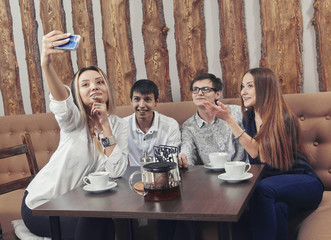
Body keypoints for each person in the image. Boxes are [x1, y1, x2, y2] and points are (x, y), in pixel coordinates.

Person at [21, 30, 128, 240]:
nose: (94, 87)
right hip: (43, 205)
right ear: (77, 93)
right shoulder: (73, 120)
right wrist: (46, 64)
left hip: (80, 205)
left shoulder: (118, 125)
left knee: (105, 221)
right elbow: (61, 100)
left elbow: (116, 170)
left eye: (99, 82)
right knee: (95, 221)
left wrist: (104, 124)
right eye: (85, 84)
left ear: (107, 89)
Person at [203, 67, 324, 240]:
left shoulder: (283, 118)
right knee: (276, 209)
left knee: (261, 189)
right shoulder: (249, 119)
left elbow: (261, 155)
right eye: (242, 86)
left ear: (265, 87)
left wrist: (229, 119)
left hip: (304, 183)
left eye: (250, 86)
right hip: (275, 188)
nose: (243, 92)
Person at [178, 73, 247, 168]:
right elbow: (187, 150)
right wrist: (183, 158)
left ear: (218, 94)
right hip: (213, 177)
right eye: (195, 89)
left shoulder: (238, 112)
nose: (199, 93)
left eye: (206, 89)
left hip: (244, 171)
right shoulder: (188, 126)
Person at [125, 79, 180, 166]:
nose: (142, 105)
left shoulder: (170, 126)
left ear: (156, 102)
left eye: (147, 99)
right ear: (131, 101)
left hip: (162, 175)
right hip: (133, 176)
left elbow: (171, 162)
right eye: (137, 99)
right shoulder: (122, 126)